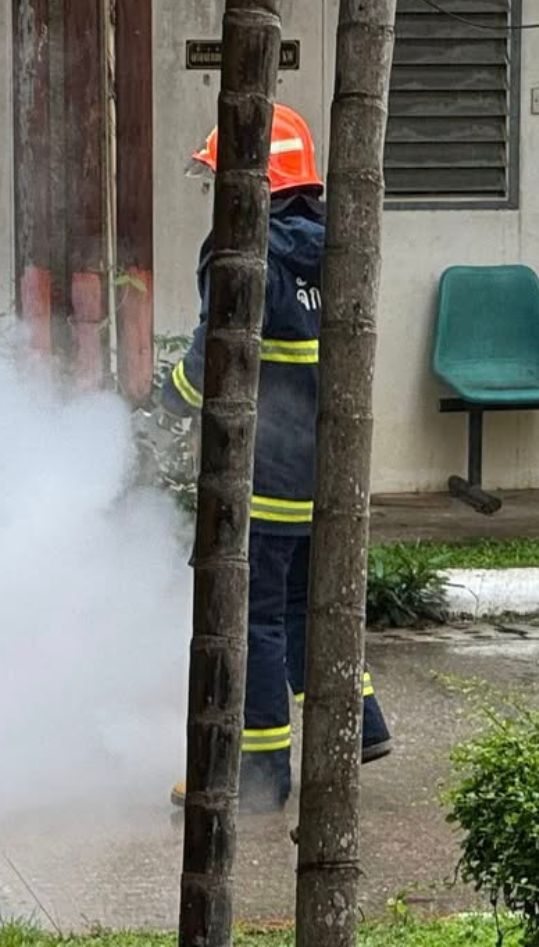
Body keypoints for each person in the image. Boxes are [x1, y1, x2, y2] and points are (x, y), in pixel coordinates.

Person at [161, 104, 392, 813]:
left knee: (253, 620)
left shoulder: (240, 250)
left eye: (219, 178)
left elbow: (214, 356)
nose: (215, 192)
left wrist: (167, 401)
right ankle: (359, 728)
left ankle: (260, 775)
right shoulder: (340, 246)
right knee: (313, 610)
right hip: (331, 477)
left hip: (263, 478)